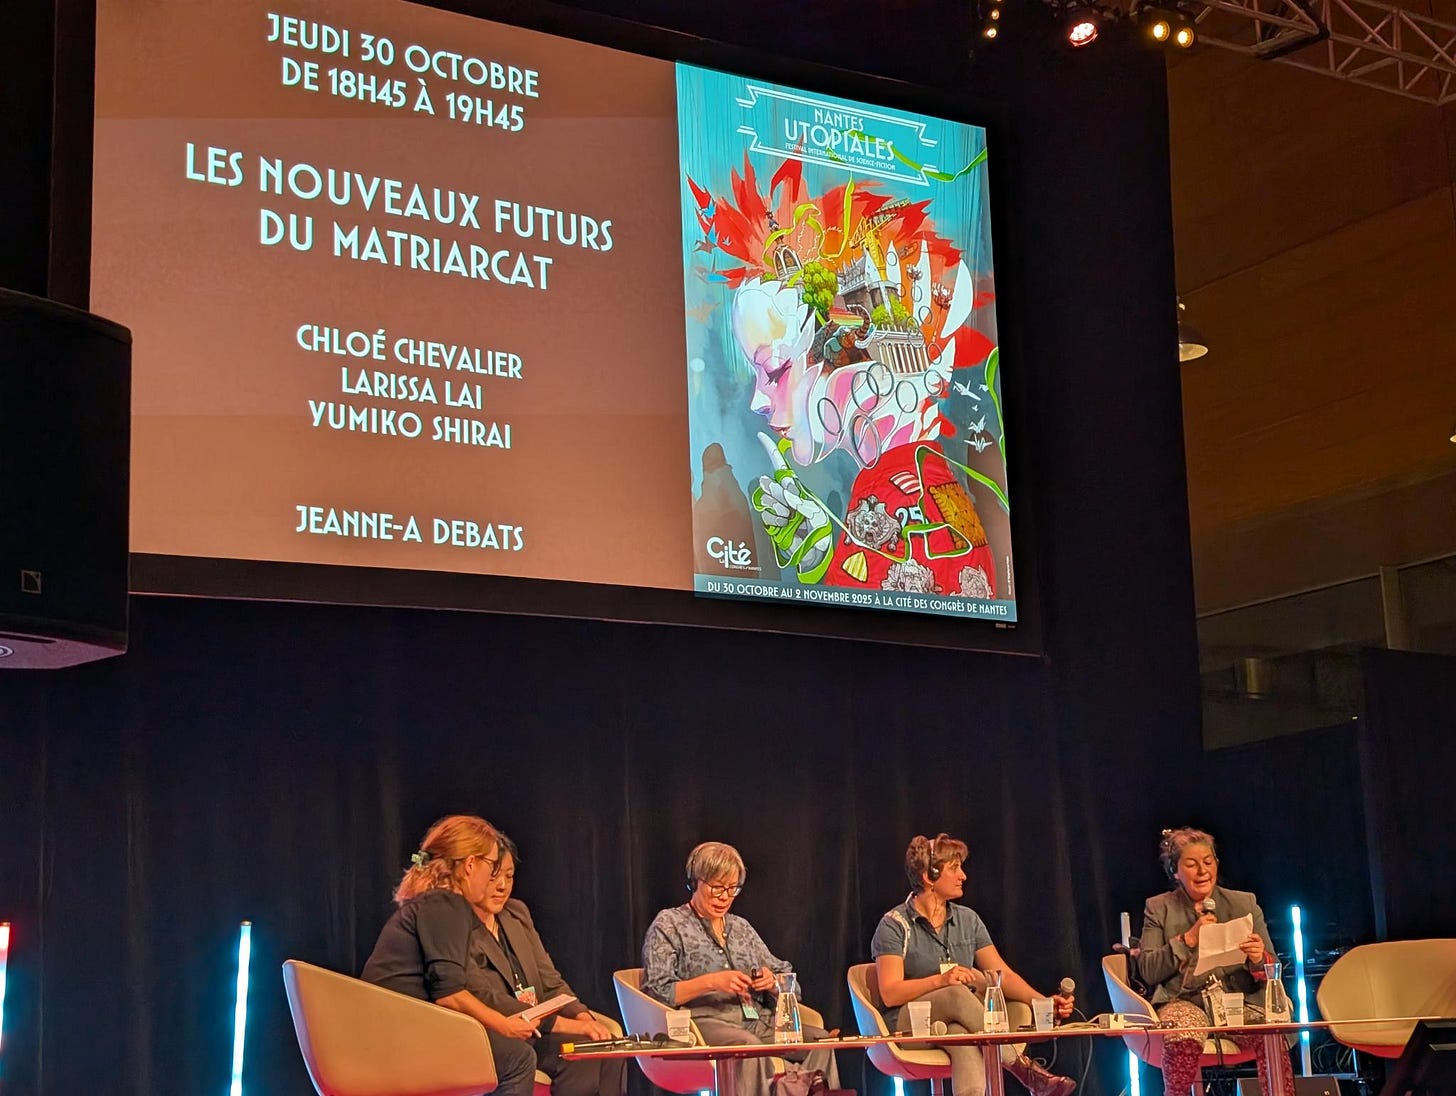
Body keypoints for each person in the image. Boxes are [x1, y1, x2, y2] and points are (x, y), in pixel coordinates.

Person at [871, 833, 1076, 1096]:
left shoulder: (968, 920)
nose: (963, 876)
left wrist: (1043, 1003)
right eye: (954, 868)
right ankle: (1024, 1070)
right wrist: (941, 981)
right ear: (929, 876)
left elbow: (1000, 974)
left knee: (963, 1040)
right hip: (907, 1024)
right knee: (956, 993)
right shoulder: (894, 924)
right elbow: (890, 993)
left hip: (955, 1025)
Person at [642, 841, 840, 1096]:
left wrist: (771, 982)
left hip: (756, 1022)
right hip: (703, 1023)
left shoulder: (741, 928)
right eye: (716, 888)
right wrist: (713, 982)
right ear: (695, 882)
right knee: (746, 1046)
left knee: (821, 1042)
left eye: (732, 888)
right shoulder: (670, 924)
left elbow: (790, 982)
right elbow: (656, 991)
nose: (724, 896)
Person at [360, 815, 538, 1096]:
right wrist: (504, 1024)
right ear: (470, 865)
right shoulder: (447, 903)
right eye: (492, 866)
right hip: (400, 1037)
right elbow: (450, 995)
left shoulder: (433, 901)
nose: (494, 879)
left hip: (388, 1031)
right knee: (518, 1058)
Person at [1135, 827, 1296, 1096]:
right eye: (1192, 864)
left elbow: (1272, 969)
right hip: (1184, 1001)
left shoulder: (1244, 903)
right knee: (1182, 1031)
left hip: (1236, 1001)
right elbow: (1149, 971)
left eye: (1208, 862)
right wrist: (1187, 939)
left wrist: (1258, 958)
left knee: (1272, 1031)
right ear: (1175, 871)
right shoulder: (1158, 907)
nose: (1202, 871)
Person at [467, 834, 626, 1096]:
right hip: (499, 1034)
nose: (502, 886)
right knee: (577, 1052)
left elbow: (549, 980)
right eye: (494, 876)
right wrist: (569, 1026)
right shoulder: (459, 925)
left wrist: (582, 1015)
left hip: (537, 1030)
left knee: (608, 1045)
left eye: (509, 876)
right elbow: (487, 999)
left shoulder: (516, 913)